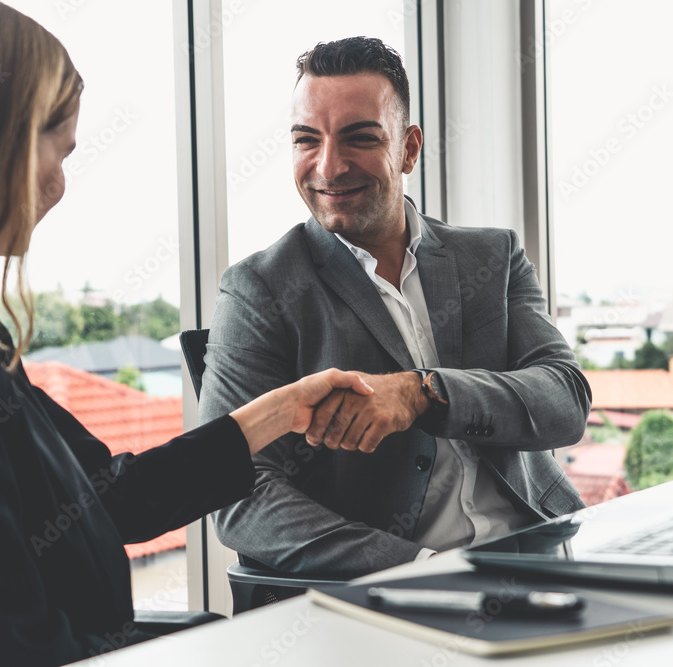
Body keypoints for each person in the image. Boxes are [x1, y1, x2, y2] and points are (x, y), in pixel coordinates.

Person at [0, 2, 373, 665]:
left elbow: (106, 495)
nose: (58, 186)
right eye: (55, 151)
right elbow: (0, 646)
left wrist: (281, 411)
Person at [199, 37, 592, 578]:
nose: (328, 167)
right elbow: (239, 495)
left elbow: (565, 401)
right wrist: (417, 568)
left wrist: (423, 392)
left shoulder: (493, 256)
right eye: (306, 140)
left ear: (409, 148)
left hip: (544, 548)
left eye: (359, 138)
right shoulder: (259, 290)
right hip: (398, 585)